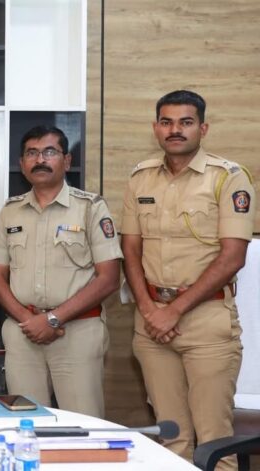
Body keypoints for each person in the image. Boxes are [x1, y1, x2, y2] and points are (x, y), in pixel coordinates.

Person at [121, 90, 254, 469]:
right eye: (167, 122)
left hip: (206, 322)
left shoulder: (228, 178)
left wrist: (173, 311)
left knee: (216, 442)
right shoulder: (140, 178)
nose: (175, 130)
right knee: (171, 437)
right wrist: (150, 310)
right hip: (152, 323)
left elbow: (233, 257)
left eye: (185, 122)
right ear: (156, 128)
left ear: (203, 128)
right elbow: (130, 249)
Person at [0, 125, 121, 417]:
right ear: (22, 164)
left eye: (49, 152)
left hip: (77, 332)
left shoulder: (90, 207)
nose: (40, 160)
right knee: (24, 422)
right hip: (23, 332)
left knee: (83, 423)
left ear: (67, 161)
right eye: (31, 153)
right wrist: (29, 320)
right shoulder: (10, 211)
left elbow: (109, 278)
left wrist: (52, 319)